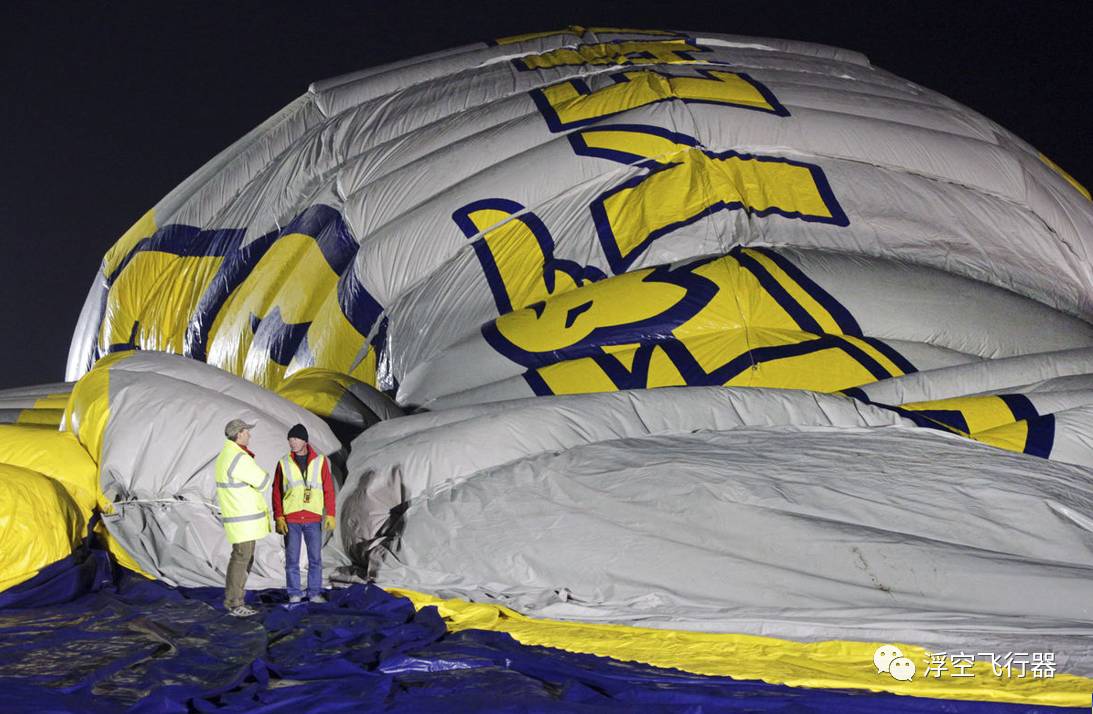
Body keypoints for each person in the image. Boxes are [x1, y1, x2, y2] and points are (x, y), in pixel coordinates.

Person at [214, 418, 271, 617]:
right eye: (247, 432)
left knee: (240, 558)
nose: (250, 435)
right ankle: (234, 603)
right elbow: (263, 480)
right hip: (243, 519)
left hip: (238, 517)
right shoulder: (238, 457)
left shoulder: (226, 455)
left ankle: (236, 600)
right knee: (241, 559)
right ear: (239, 434)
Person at [272, 423, 336, 603]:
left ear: (304, 441)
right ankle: (294, 593)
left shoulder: (320, 461)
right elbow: (276, 491)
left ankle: (314, 593)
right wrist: (279, 516)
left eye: (295, 439)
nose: (291, 442)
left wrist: (330, 513)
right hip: (291, 519)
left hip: (313, 518)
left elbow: (328, 489)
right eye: (290, 439)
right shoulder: (283, 463)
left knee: (315, 558)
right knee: (292, 559)